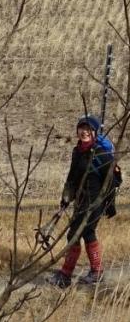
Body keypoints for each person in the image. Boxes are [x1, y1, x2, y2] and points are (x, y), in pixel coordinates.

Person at [47, 114, 117, 287]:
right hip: (81, 201)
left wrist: (109, 203)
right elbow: (72, 177)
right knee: (85, 233)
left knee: (75, 234)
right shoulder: (77, 151)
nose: (84, 132)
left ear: (94, 132)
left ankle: (66, 276)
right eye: (81, 128)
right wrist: (66, 198)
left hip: (95, 202)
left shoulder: (102, 153)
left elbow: (115, 179)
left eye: (89, 129)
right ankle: (96, 272)